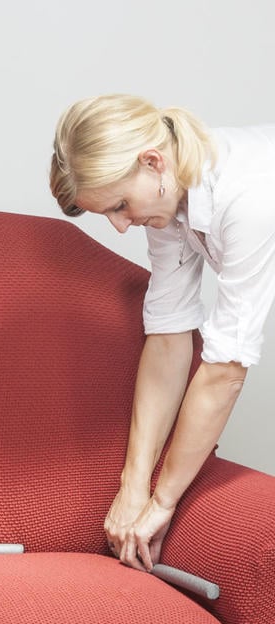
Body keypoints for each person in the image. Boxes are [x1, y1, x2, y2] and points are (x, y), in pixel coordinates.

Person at [49, 94, 275, 573]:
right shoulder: (169, 196)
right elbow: (169, 337)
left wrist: (162, 501)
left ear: (153, 162)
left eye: (120, 206)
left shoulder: (247, 197)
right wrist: (132, 486)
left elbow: (225, 371)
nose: (120, 226)